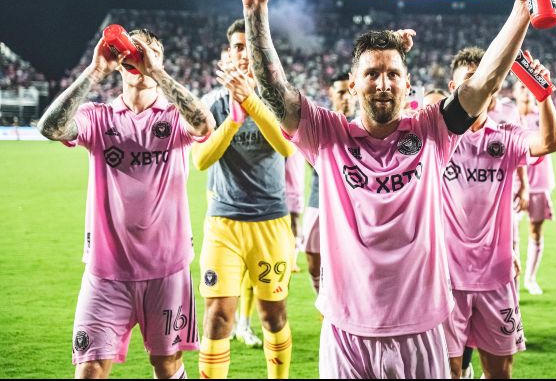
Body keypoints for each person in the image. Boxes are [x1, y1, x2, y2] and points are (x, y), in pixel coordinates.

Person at [238, 0, 556, 377]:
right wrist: (255, 12)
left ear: (407, 86)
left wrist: (524, 7)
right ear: (353, 85)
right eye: (371, 74)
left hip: (421, 332)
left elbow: (484, 81)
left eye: (393, 73)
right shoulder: (328, 137)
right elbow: (274, 91)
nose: (383, 82)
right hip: (347, 334)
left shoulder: (431, 131)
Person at [37, 29, 215, 379]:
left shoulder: (172, 117)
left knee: (166, 365)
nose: (141, 56)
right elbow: (50, 128)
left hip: (167, 268)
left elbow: (204, 124)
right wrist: (95, 70)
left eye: (151, 52)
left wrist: (158, 73)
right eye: (134, 51)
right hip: (106, 272)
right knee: (89, 369)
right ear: (121, 61)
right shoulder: (98, 117)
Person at [441, 48, 556, 379]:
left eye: (487, 80)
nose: (480, 89)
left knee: (499, 372)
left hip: (496, 276)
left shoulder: (506, 134)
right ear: (454, 87)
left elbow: (549, 142)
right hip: (447, 277)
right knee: (447, 369)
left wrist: (542, 94)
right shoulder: (439, 137)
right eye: (470, 81)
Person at [192, 19, 295, 379]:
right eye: (237, 46)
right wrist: (233, 120)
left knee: (273, 315)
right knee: (218, 314)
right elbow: (202, 160)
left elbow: (286, 146)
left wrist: (250, 100)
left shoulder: (280, 100)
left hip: (271, 222)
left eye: (249, 46)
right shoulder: (212, 104)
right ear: (229, 53)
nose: (243, 52)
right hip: (224, 223)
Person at [303, 73, 356, 296]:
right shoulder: (321, 125)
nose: (346, 97)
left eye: (349, 92)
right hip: (319, 199)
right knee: (312, 254)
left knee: (350, 259)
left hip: (352, 205)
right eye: (341, 92)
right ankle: (321, 297)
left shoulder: (363, 126)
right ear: (331, 93)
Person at [512, 79, 556, 296]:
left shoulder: (543, 114)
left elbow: (554, 141)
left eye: (529, 87)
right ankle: (513, 278)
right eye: (522, 87)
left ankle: (530, 278)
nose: (527, 91)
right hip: (513, 184)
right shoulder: (510, 117)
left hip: (540, 183)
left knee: (535, 231)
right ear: (514, 92)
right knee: (509, 234)